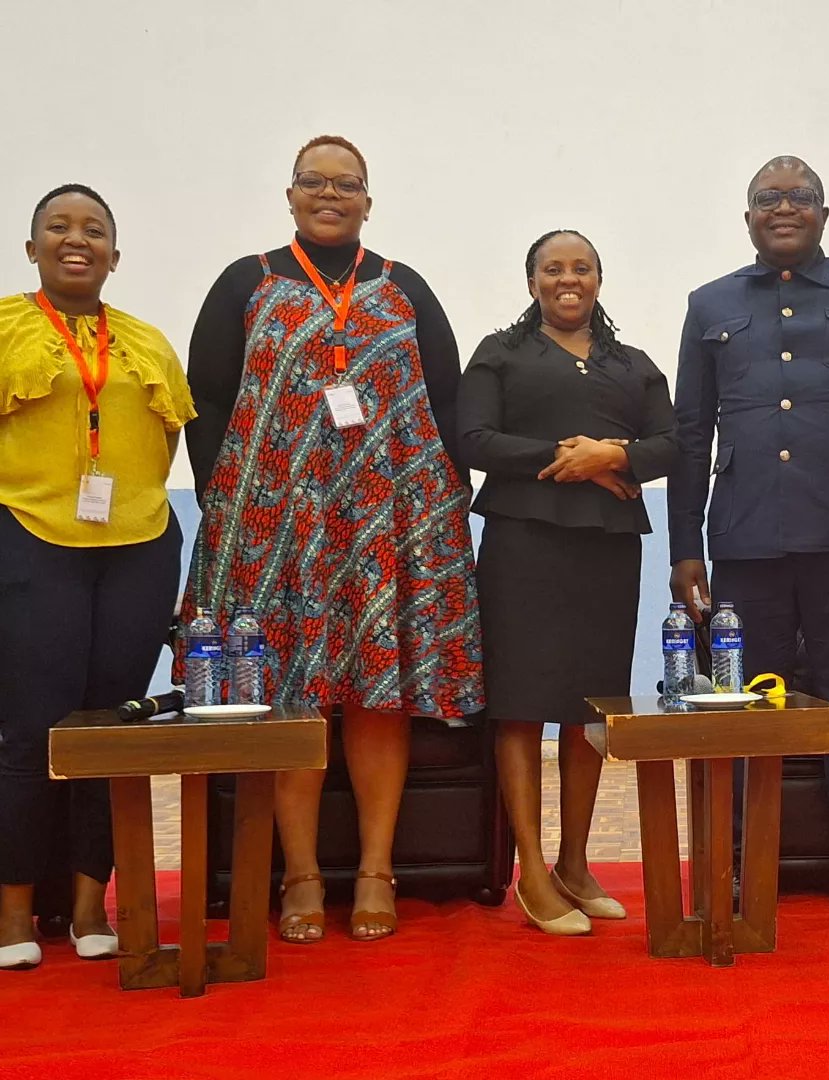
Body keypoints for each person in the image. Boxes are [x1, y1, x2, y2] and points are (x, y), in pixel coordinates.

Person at [181, 135, 483, 945]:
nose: (330, 194)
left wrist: (440, 515)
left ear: (367, 202)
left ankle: (377, 872)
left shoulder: (402, 286)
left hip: (387, 533)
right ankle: (304, 877)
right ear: (289, 196)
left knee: (377, 700)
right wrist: (231, 505)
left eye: (346, 184)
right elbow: (205, 401)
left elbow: (447, 403)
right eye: (314, 181)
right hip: (275, 536)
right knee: (293, 698)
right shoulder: (245, 282)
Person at [667, 156, 829, 918]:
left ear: (824, 212)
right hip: (746, 540)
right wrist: (687, 546)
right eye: (767, 199)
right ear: (746, 217)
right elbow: (689, 432)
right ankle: (745, 860)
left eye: (800, 197)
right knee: (745, 704)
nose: (784, 207)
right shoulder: (709, 302)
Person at [459, 229, 677, 935]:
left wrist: (614, 452)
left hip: (607, 551)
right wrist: (566, 457)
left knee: (589, 709)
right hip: (523, 544)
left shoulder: (633, 364)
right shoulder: (500, 353)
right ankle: (530, 871)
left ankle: (575, 865)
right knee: (522, 704)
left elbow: (675, 441)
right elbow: (472, 440)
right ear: (532, 283)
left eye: (581, 268)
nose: (567, 279)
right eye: (552, 269)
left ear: (599, 279)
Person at [0, 184, 193, 970]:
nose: (76, 240)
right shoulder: (8, 328)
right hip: (29, 536)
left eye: (94, 231)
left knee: (110, 732)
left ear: (115, 254)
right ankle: (13, 910)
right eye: (59, 227)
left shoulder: (144, 341)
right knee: (28, 730)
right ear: (33, 247)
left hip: (138, 544)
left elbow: (169, 436)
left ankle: (89, 904)